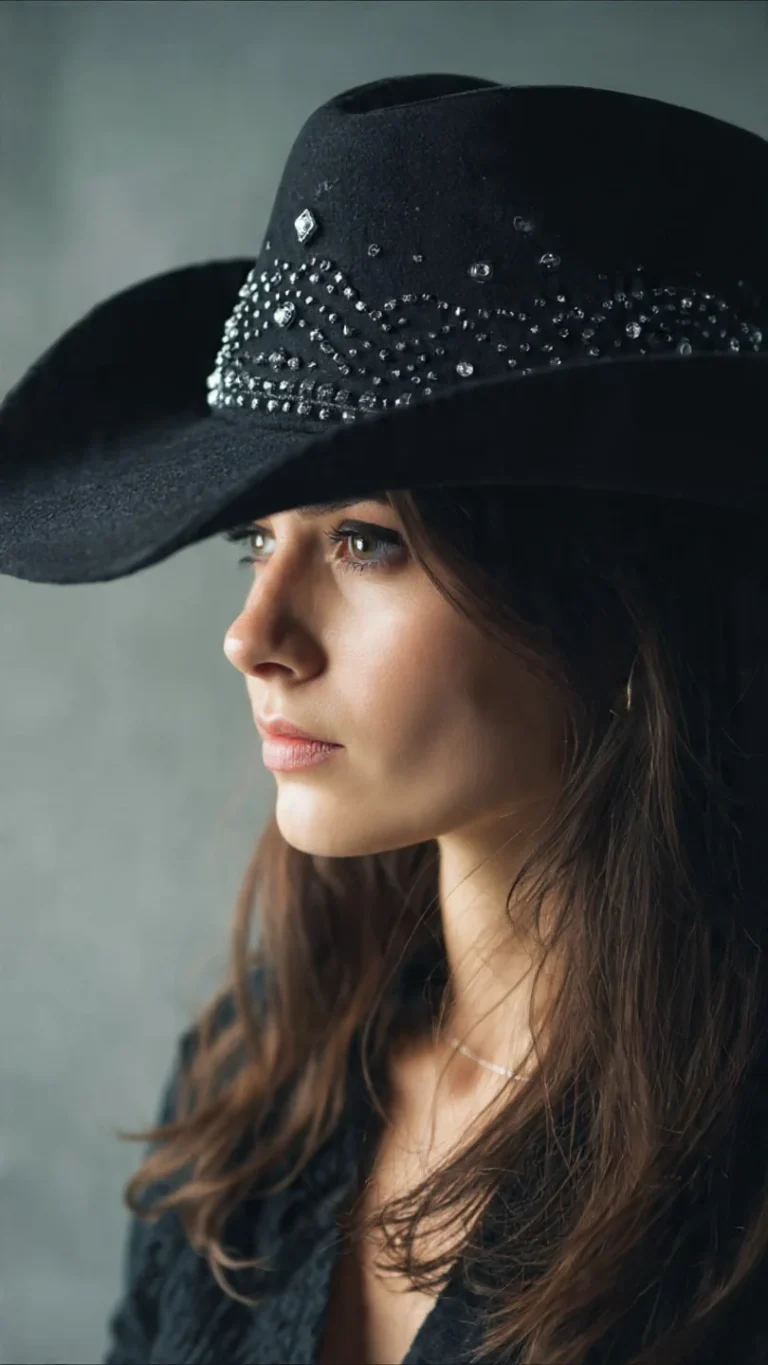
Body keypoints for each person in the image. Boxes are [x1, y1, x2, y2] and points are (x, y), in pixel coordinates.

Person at [2, 71, 768, 1365]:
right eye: (257, 541)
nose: (255, 637)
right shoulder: (256, 1092)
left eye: (366, 542)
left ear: (619, 603)